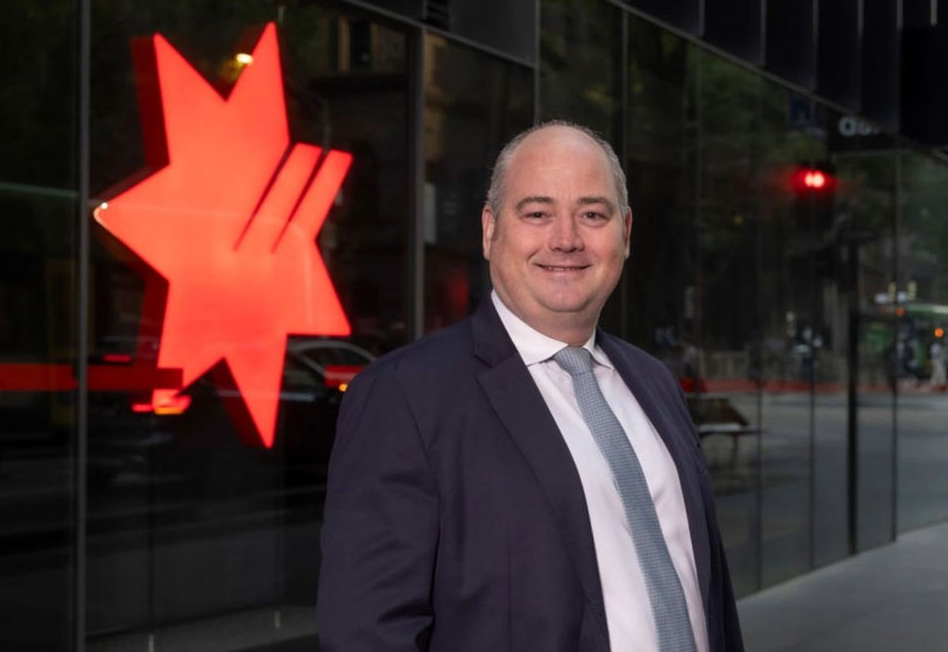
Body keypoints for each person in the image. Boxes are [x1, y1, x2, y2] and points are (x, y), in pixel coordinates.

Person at [318, 121, 744, 652]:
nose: (566, 239)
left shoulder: (655, 384)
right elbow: (369, 635)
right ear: (490, 229)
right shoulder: (404, 398)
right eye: (537, 213)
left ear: (626, 232)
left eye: (592, 215)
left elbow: (709, 593)